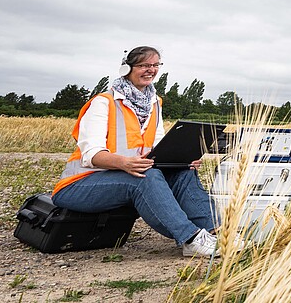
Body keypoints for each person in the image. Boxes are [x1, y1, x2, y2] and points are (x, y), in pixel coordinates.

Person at [52, 46, 220, 258]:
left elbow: (158, 148)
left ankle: (216, 231)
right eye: (143, 65)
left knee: (184, 172)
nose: (150, 70)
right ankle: (191, 239)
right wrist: (124, 163)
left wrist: (179, 159)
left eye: (155, 65)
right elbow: (91, 155)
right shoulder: (103, 103)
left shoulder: (154, 103)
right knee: (144, 176)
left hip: (127, 176)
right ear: (126, 69)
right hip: (80, 185)